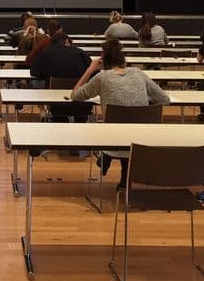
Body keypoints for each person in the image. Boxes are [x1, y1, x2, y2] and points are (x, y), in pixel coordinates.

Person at [71, 38, 170, 188]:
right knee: (129, 126)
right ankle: (121, 176)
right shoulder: (138, 73)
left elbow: (75, 95)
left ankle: (106, 155)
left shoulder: (101, 77)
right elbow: (164, 99)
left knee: (114, 126)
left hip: (113, 135)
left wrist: (90, 69)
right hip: (142, 137)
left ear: (104, 60)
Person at [31, 33, 92, 120]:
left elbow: (34, 72)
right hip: (81, 102)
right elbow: (93, 72)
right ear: (67, 41)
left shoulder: (45, 53)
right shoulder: (80, 52)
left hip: (55, 103)